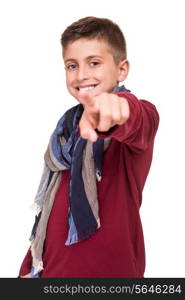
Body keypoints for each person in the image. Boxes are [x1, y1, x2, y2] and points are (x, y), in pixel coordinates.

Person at [18, 16, 159, 278]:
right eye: (72, 65)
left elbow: (138, 119)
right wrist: (27, 270)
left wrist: (117, 109)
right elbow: (49, 220)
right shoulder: (67, 132)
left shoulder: (136, 120)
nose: (81, 75)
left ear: (121, 69)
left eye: (94, 63)